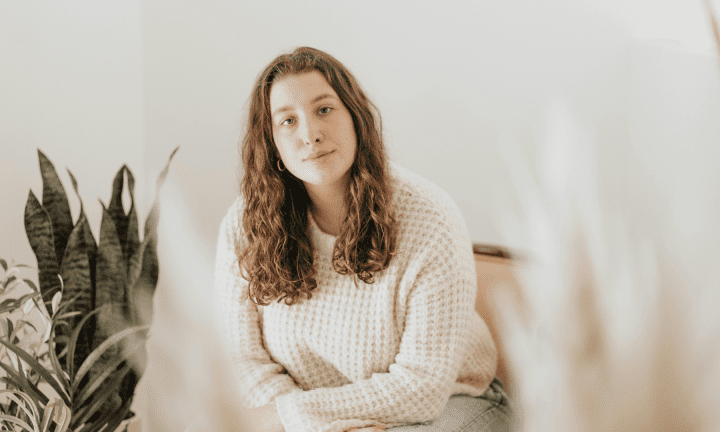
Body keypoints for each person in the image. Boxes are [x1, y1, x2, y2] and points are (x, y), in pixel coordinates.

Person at [214, 46, 512, 432]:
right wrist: (313, 424)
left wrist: (301, 417)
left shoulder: (430, 218)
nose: (310, 134)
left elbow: (421, 388)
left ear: (356, 118)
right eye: (287, 121)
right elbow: (243, 361)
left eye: (324, 110)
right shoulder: (245, 223)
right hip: (310, 417)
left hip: (448, 405)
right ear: (270, 143)